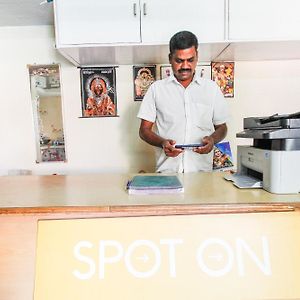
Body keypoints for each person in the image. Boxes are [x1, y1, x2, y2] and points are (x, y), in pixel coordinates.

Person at [137, 31, 229, 173]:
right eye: (179, 61)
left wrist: (212, 140)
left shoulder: (211, 89)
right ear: (170, 58)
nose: (185, 66)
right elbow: (144, 131)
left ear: (197, 57)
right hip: (167, 173)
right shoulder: (156, 89)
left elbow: (222, 127)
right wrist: (162, 143)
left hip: (202, 174)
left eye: (190, 60)